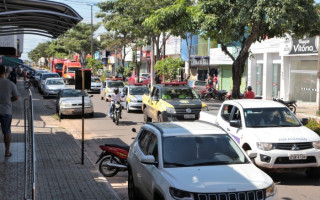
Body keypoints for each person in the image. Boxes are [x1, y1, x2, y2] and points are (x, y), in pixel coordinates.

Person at [0, 65, 19, 157]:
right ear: (5, 72)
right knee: (6, 131)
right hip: (6, 111)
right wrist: (9, 101)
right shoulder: (10, 83)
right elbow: (16, 97)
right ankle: (7, 152)